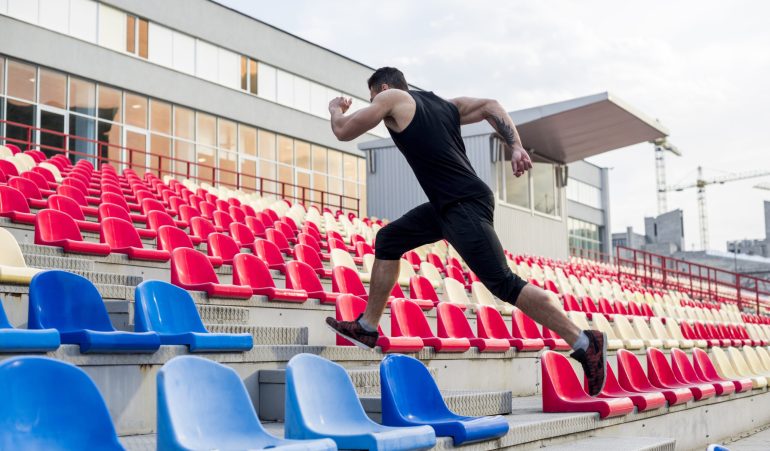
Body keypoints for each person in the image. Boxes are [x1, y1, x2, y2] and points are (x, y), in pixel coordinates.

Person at [324, 67, 607, 396]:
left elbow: (343, 131)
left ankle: (584, 341)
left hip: (462, 204)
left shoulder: (391, 97)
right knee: (389, 240)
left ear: (384, 88)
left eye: (373, 97)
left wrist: (335, 110)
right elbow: (490, 106)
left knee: (504, 283)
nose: (375, 104)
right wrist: (515, 146)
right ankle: (367, 327)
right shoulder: (445, 105)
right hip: (448, 206)